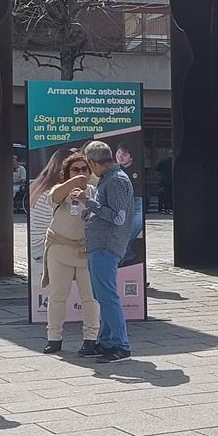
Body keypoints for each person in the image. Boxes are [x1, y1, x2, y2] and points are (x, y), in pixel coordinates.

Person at [75, 140, 133, 363]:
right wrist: (92, 212)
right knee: (103, 295)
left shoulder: (115, 180)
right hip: (102, 245)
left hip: (107, 246)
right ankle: (108, 341)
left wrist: (88, 202)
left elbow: (117, 217)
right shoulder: (110, 179)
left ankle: (120, 345)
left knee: (108, 296)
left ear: (92, 162)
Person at [40, 151, 100, 356]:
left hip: (86, 250)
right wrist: (73, 182)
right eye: (75, 169)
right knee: (57, 295)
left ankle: (90, 340)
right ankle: (54, 338)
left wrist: (84, 194)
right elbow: (54, 197)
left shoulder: (94, 191)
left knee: (90, 297)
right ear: (66, 172)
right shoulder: (59, 189)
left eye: (85, 169)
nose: (81, 173)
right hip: (59, 248)